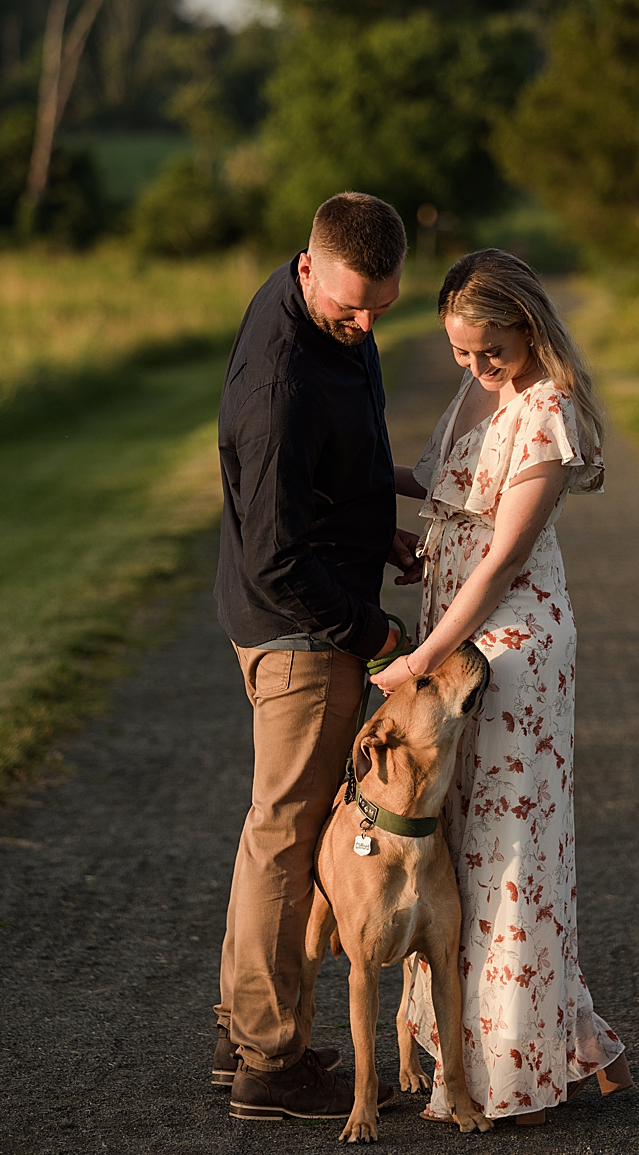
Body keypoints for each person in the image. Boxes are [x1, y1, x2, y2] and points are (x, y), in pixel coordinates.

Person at [370, 248, 632, 1125]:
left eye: (493, 353)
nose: (478, 368)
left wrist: (415, 665)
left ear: (531, 328)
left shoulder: (550, 407)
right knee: (451, 840)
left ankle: (506, 1066)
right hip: (456, 630)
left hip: (508, 645)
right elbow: (449, 493)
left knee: (505, 847)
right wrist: (351, 478)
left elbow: (499, 561)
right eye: (460, 352)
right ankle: (465, 1043)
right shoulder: (482, 390)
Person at [212, 191, 423, 1122]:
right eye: (351, 307)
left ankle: (243, 1031)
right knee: (287, 833)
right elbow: (276, 556)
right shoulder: (280, 383)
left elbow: (325, 479)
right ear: (308, 266)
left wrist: (379, 526)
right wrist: (376, 635)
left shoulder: (322, 309)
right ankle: (268, 1064)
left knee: (280, 828)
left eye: (382, 306)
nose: (366, 323)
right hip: (301, 629)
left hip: (318, 601)